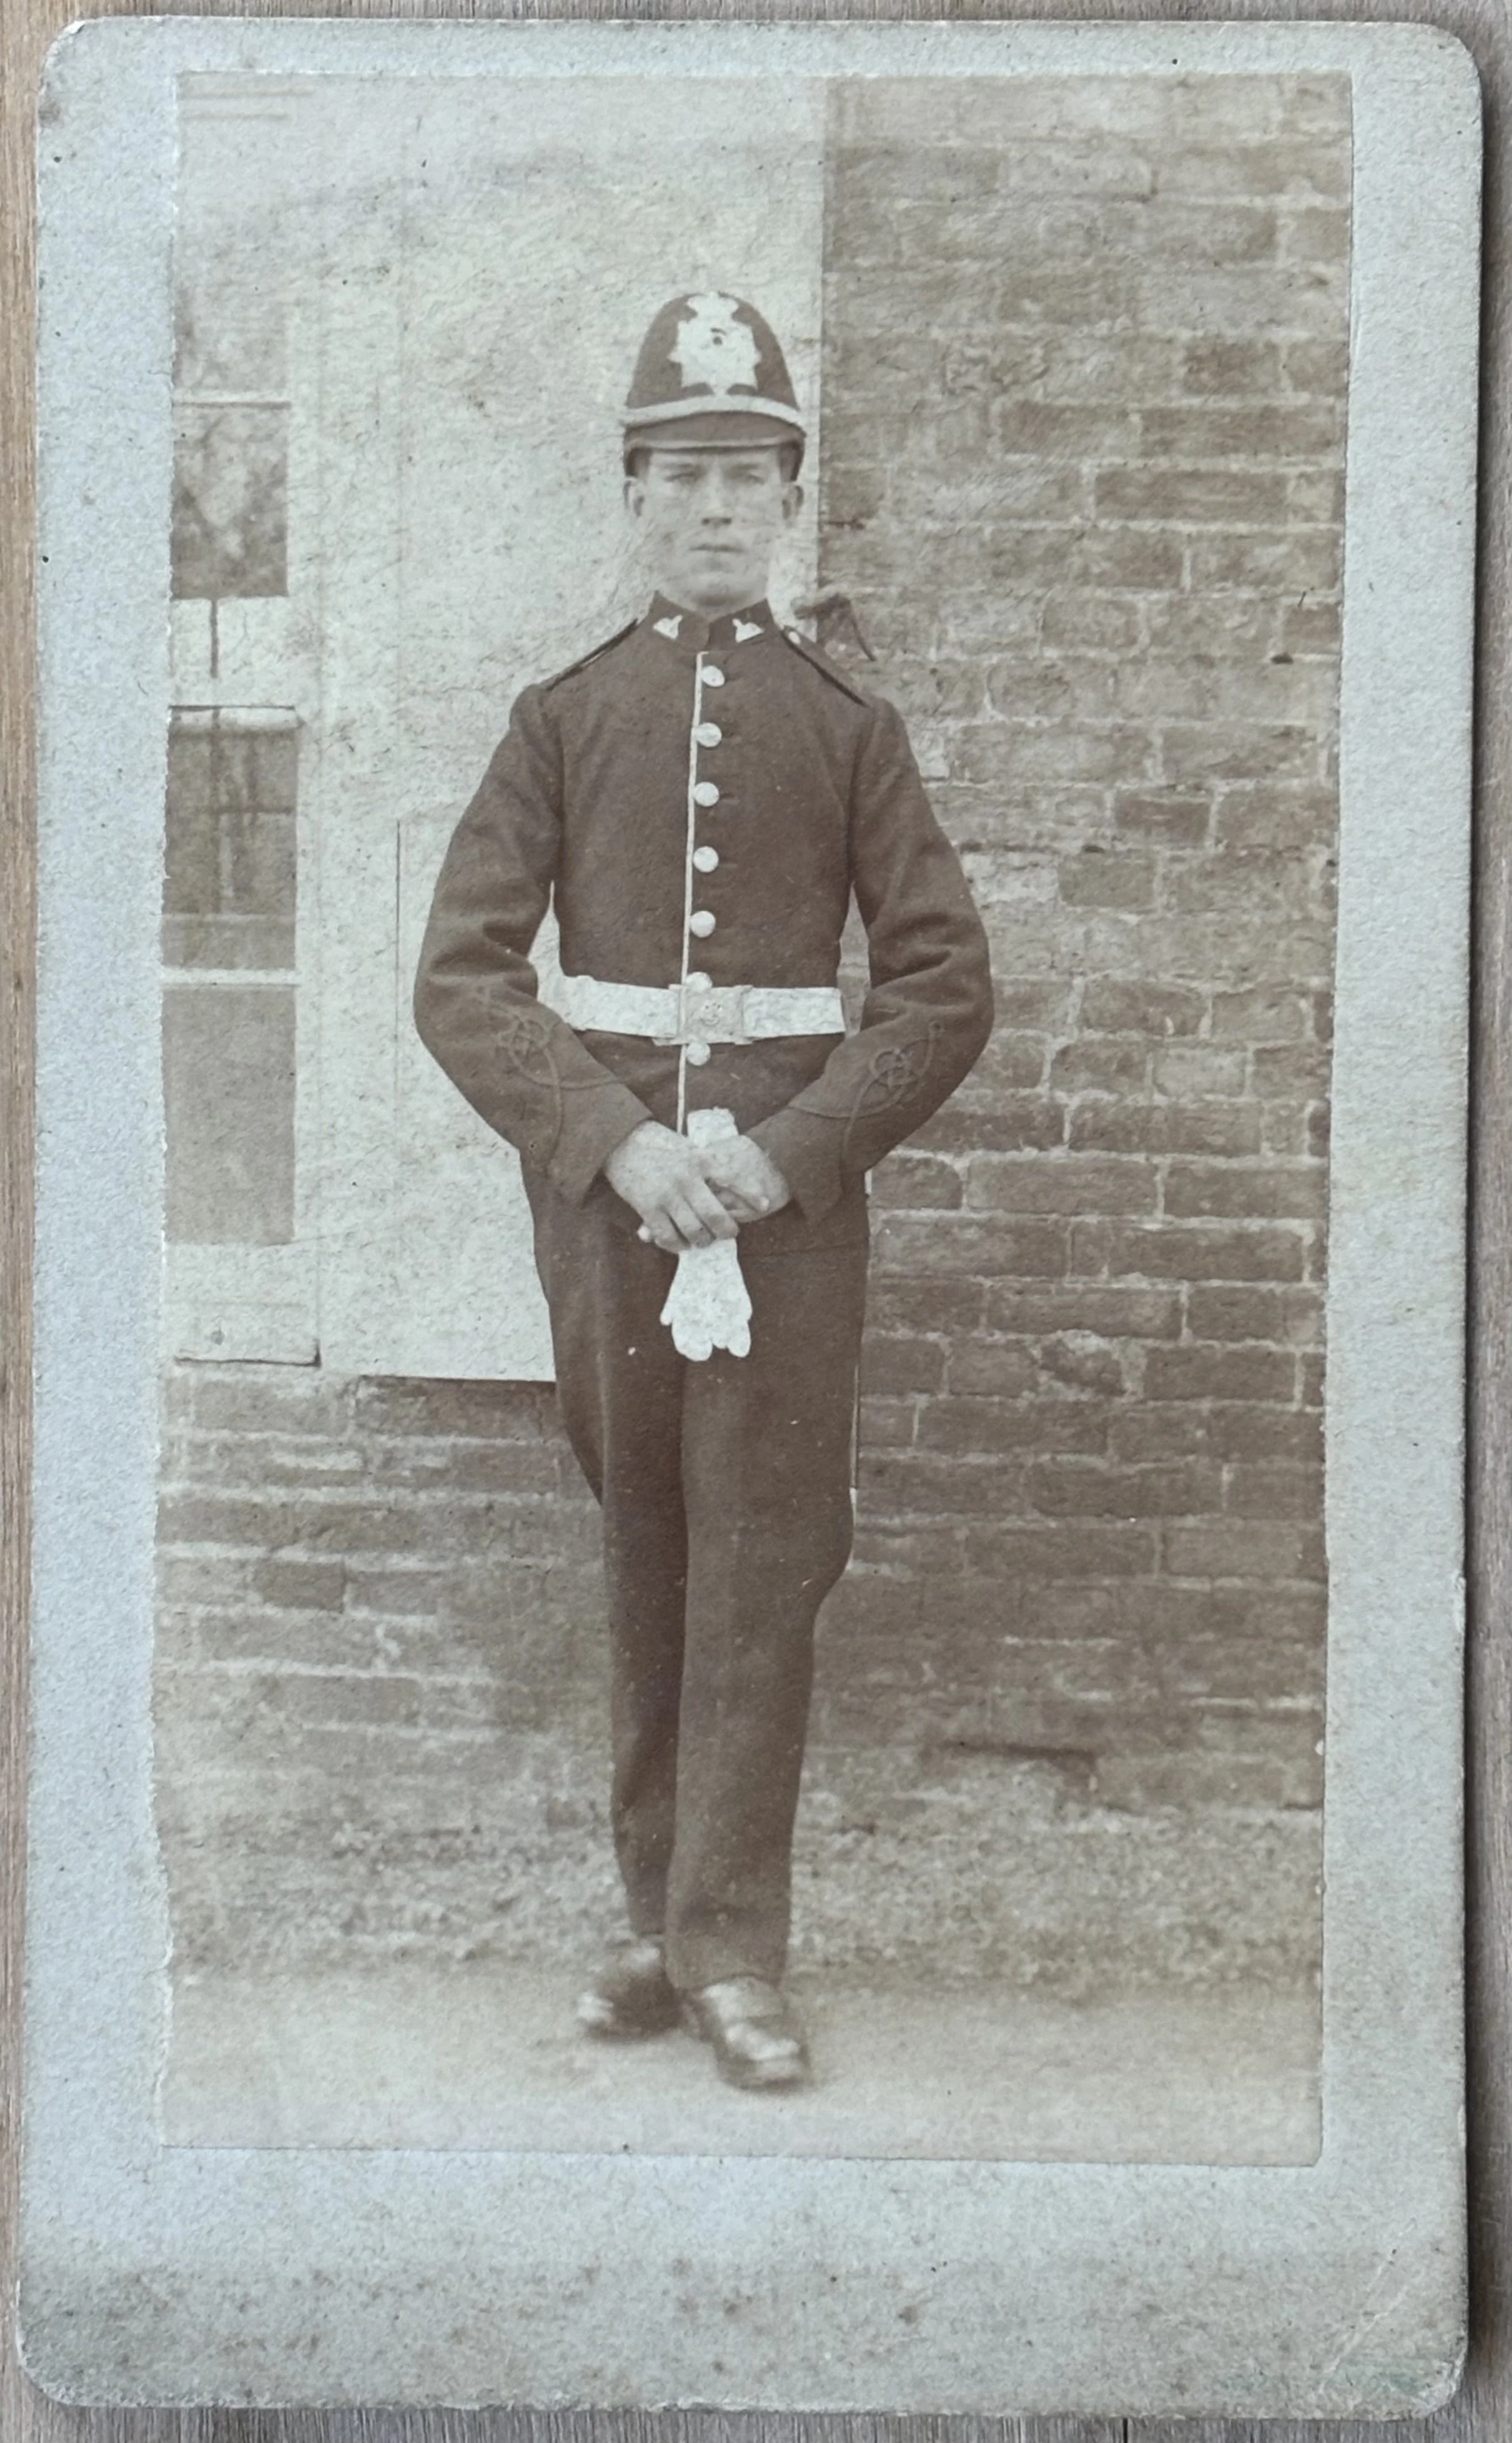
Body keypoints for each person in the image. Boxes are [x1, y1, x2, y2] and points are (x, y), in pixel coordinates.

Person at [414, 291, 994, 2091]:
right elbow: (461, 979)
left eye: (752, 480)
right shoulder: (561, 718)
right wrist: (619, 1143)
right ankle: (656, 1918)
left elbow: (942, 984)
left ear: (789, 502)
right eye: (686, 478)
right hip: (609, 1211)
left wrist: (781, 1151)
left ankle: (735, 1944)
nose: (720, 511)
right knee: (648, 1532)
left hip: (782, 1217)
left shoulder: (847, 725)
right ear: (633, 495)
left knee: (766, 1555)